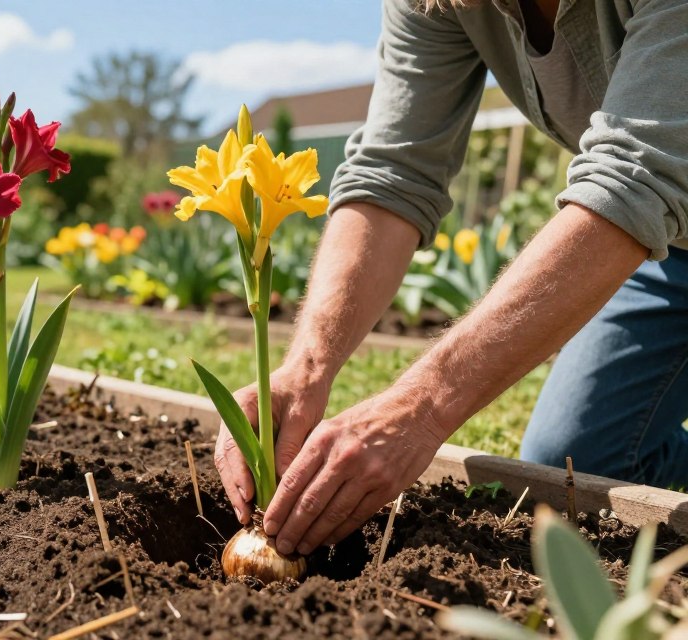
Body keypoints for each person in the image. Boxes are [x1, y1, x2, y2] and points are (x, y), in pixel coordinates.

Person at [215, 0, 688, 559]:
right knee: (574, 460)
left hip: (646, 214)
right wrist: (304, 371)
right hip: (669, 252)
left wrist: (419, 408)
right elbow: (393, 172)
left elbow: (637, 173)